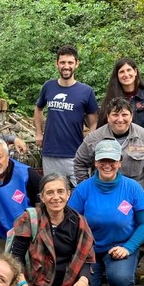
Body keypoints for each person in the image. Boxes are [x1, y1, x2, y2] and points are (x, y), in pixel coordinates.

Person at [9, 174, 97, 286]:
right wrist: (21, 283)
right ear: (41, 196)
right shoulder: (29, 218)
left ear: (68, 194)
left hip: (66, 285)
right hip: (32, 284)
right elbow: (15, 257)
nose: (55, 197)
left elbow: (87, 258)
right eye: (49, 193)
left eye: (60, 191)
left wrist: (83, 280)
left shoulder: (78, 222)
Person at [67, 140, 144, 286]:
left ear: (119, 163)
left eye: (112, 161)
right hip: (90, 250)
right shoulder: (82, 189)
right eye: (102, 161)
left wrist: (128, 248)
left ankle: (118, 279)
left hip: (120, 247)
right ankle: (99, 273)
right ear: (95, 162)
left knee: (121, 279)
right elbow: (70, 222)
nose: (107, 165)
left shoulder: (133, 188)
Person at [74, 98, 144, 204]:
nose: (120, 119)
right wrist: (88, 189)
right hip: (103, 194)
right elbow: (79, 163)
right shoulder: (93, 139)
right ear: (108, 117)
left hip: (135, 195)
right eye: (115, 115)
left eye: (124, 115)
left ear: (131, 116)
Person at [34, 45, 99, 184]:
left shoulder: (86, 91)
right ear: (57, 64)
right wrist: (39, 133)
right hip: (50, 153)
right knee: (53, 192)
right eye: (62, 62)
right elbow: (38, 109)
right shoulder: (48, 87)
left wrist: (88, 144)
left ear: (77, 64)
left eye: (70, 62)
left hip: (76, 154)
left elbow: (94, 121)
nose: (66, 66)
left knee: (80, 194)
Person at [97, 58, 144, 140]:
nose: (126, 74)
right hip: (116, 147)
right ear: (117, 75)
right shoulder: (110, 99)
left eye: (129, 70)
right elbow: (102, 127)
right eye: (121, 72)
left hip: (143, 147)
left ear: (135, 72)